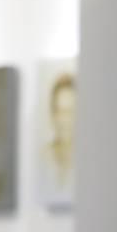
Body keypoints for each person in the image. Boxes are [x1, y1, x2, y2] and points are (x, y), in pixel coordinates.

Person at [44, 71, 75, 204]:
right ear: (53, 114)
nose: (64, 120)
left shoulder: (87, 161)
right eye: (60, 111)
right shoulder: (45, 156)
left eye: (69, 112)